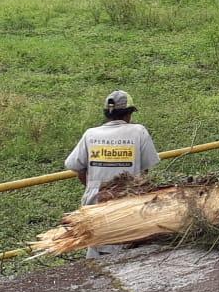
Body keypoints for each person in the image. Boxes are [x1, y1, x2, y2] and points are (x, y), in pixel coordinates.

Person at [64, 90, 160, 258]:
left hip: (95, 203)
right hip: (127, 202)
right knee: (128, 253)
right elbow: (145, 171)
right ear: (129, 114)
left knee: (97, 253)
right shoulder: (138, 132)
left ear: (107, 114)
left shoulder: (90, 134)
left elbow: (76, 167)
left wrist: (95, 186)